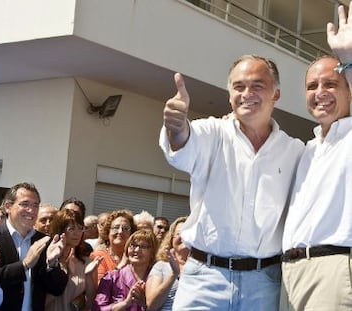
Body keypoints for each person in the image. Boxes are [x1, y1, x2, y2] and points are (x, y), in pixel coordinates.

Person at [159, 55, 304, 310]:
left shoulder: (295, 151)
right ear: (229, 95)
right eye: (239, 86)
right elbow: (183, 143)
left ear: (276, 94)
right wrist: (177, 126)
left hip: (264, 284)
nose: (247, 93)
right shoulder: (213, 132)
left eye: (257, 85)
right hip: (204, 280)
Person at [280, 4, 352, 310]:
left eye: (331, 83)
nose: (320, 91)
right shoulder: (306, 149)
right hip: (288, 273)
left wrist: (348, 58)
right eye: (312, 86)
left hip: (332, 270)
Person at [0, 182, 68, 311]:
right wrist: (24, 265)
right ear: (8, 206)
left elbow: (57, 289)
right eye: (25, 204)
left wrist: (52, 264)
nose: (31, 211)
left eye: (35, 205)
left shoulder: (43, 241)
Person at [45, 209, 102, 311]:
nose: (77, 233)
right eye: (71, 229)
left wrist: (88, 275)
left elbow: (91, 303)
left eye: (80, 228)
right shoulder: (45, 257)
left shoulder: (87, 262)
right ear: (59, 230)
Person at [93, 229, 159, 311]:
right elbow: (98, 308)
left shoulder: (158, 279)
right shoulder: (111, 277)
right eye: (133, 245)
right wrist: (125, 303)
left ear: (152, 252)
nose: (137, 250)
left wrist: (145, 303)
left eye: (143, 247)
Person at [146, 216, 189, 311]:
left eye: (188, 233)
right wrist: (173, 274)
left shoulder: (204, 267)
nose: (183, 237)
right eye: (179, 233)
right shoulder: (161, 266)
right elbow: (151, 305)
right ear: (171, 239)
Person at [90, 209, 135, 283]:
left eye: (126, 228)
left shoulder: (135, 258)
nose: (120, 231)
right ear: (108, 232)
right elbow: (100, 286)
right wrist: (121, 266)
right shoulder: (99, 257)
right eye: (116, 227)